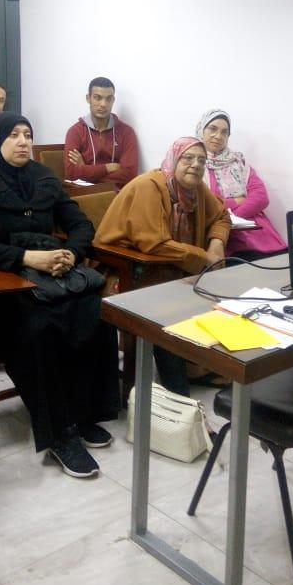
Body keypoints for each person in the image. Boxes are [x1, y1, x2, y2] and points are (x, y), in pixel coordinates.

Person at [0, 113, 120, 478]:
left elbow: (80, 224)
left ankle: (83, 413)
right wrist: (27, 258)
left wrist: (70, 253)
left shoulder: (44, 178)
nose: (22, 142)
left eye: (27, 135)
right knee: (39, 328)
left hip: (52, 276)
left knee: (97, 315)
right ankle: (60, 433)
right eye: (13, 135)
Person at [95, 136, 230, 394]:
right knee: (168, 311)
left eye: (201, 160)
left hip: (170, 268)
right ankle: (179, 395)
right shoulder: (150, 187)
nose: (195, 165)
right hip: (128, 270)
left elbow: (221, 216)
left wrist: (216, 244)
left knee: (217, 295)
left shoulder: (196, 189)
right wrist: (204, 258)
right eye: (188, 158)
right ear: (173, 159)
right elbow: (154, 243)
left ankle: (200, 369)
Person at [195, 109, 286, 260]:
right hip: (222, 236)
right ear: (201, 130)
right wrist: (237, 201)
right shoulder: (194, 163)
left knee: (281, 263)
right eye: (212, 129)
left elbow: (261, 197)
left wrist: (232, 218)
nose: (218, 136)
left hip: (257, 231)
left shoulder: (238, 161)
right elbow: (203, 205)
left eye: (224, 132)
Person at [63, 76, 139, 188]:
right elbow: (71, 173)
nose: (103, 104)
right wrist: (108, 167)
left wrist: (85, 171)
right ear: (88, 98)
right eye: (97, 98)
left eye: (108, 99)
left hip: (115, 194)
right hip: (83, 193)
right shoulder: (75, 132)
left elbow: (129, 174)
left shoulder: (127, 132)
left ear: (113, 100)